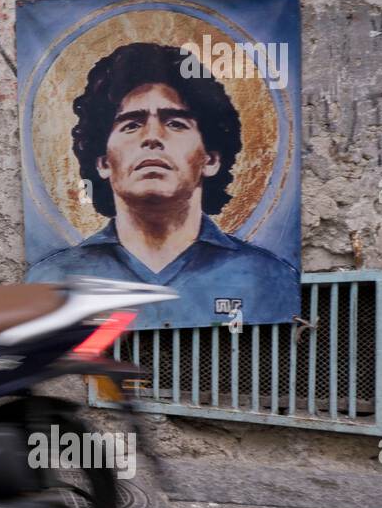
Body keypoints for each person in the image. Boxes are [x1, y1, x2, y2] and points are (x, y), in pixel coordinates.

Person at [26, 41, 298, 326]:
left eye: (176, 123)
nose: (152, 137)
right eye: (131, 124)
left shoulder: (266, 278)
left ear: (210, 159)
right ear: (103, 163)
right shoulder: (53, 280)